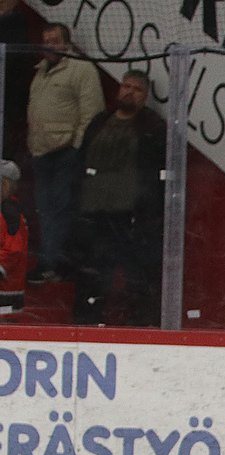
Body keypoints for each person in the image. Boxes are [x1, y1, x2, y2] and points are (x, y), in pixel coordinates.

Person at [71, 70, 165, 327]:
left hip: (130, 216)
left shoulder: (152, 127)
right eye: (126, 86)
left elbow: (157, 173)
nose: (129, 91)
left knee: (136, 274)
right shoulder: (100, 121)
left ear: (145, 97)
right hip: (94, 212)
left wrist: (147, 212)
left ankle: (139, 326)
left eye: (136, 89)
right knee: (92, 272)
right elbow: (80, 160)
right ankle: (86, 322)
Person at [26, 22, 104, 284]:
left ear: (67, 43)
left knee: (59, 210)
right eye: (45, 39)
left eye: (54, 40)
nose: (49, 44)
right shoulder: (40, 73)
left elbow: (92, 113)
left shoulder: (81, 70)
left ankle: (52, 262)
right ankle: (54, 260)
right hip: (40, 152)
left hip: (63, 154)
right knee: (45, 210)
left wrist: (76, 148)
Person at [0, 160, 26, 316]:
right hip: (9, 286)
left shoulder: (9, 212)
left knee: (4, 328)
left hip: (6, 289)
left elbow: (14, 249)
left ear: (5, 184)